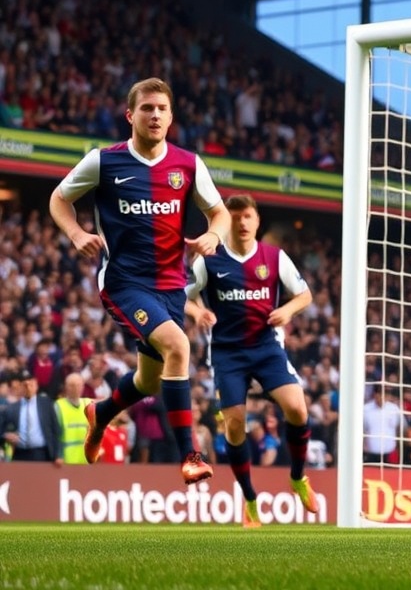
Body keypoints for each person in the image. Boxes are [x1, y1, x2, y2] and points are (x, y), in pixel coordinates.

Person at [49, 76, 230, 485]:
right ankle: (190, 455)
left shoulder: (188, 164)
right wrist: (77, 233)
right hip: (124, 283)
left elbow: (219, 213)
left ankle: (101, 413)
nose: (155, 115)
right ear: (131, 115)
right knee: (178, 346)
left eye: (162, 109)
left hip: (171, 287)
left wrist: (213, 235)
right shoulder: (104, 161)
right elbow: (58, 198)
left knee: (149, 380)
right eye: (147, 108)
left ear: (171, 117)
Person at [184, 192, 318, 528]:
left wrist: (286, 310)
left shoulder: (274, 257)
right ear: (227, 221)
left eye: (248, 217)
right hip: (228, 353)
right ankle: (249, 499)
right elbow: (178, 295)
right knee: (235, 425)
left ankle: (299, 477)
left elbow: (304, 295)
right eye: (236, 217)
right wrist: (198, 310)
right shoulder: (209, 260)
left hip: (266, 347)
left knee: (298, 410)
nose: (242, 222)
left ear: (257, 222)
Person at [1, 370, 60, 462]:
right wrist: (5, 435)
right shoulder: (12, 408)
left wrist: (57, 455)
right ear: (20, 388)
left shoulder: (46, 404)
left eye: (31, 384)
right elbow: (1, 429)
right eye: (25, 385)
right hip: (19, 453)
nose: (28, 388)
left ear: (36, 386)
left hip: (41, 453)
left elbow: (55, 430)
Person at [54, 373, 92, 465]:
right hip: (66, 460)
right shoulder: (58, 406)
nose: (75, 388)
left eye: (78, 385)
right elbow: (55, 434)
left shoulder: (88, 404)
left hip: (85, 460)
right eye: (72, 385)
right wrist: (58, 455)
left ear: (83, 387)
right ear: (66, 387)